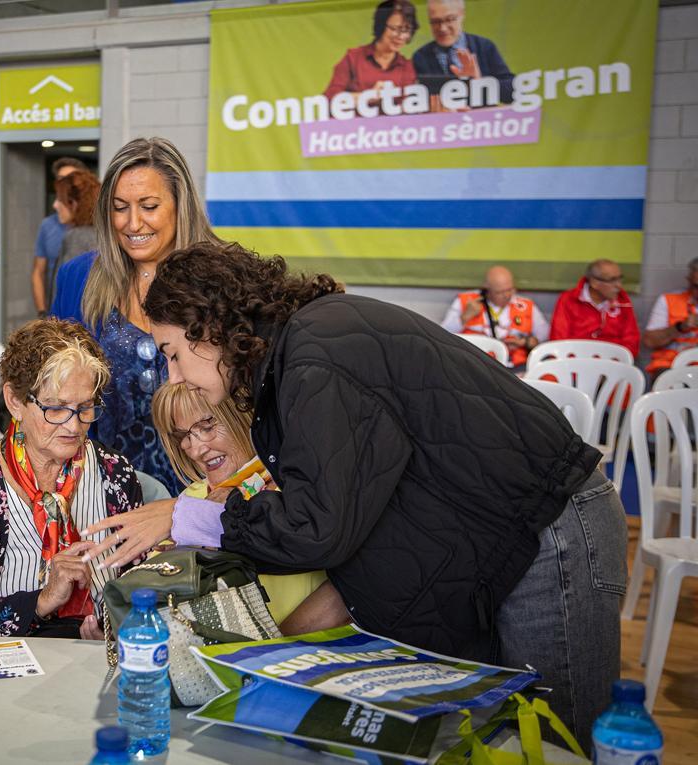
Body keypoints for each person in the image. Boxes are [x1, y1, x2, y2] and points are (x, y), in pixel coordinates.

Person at [87, 241, 627, 750]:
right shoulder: (306, 346)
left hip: (552, 532)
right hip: (511, 531)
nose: (175, 373)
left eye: (173, 352)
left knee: (555, 740)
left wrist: (187, 516)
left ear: (207, 326)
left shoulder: (316, 356)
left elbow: (317, 527)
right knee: (507, 735)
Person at [0, 318, 142, 638]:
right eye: (55, 408)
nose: (73, 426)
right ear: (15, 401)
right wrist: (41, 601)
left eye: (85, 407)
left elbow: (141, 584)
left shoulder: (114, 476)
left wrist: (115, 628)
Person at [50, 137, 222, 496]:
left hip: (207, 486)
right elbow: (53, 386)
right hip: (103, 491)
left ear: (179, 204)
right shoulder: (78, 278)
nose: (132, 223)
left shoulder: (220, 279)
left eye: (148, 206)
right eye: (120, 207)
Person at [152, 383, 344, 635]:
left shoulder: (300, 489)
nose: (196, 449)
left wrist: (274, 647)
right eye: (182, 436)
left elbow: (352, 589)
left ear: (243, 414)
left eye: (208, 425)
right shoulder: (190, 500)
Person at [440, 265, 548, 368]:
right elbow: (443, 333)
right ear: (487, 289)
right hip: (475, 365)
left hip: (516, 367)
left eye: (510, 290)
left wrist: (525, 342)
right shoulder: (466, 301)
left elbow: (545, 336)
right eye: (500, 292)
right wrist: (464, 317)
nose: (506, 295)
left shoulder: (526, 305)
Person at [412, 0, 515, 105]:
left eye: (449, 19)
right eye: (435, 22)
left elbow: (512, 93)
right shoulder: (420, 57)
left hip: (482, 120)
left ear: (462, 14)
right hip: (443, 121)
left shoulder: (484, 46)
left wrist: (480, 83)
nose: (442, 28)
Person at [322, 0, 419, 101]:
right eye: (395, 29)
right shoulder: (353, 58)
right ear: (380, 25)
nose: (401, 36)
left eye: (406, 30)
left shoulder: (408, 67)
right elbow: (329, 98)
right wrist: (368, 96)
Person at [549, 259, 640, 359]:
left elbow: (632, 343)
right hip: (574, 362)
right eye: (612, 280)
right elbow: (558, 341)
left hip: (612, 364)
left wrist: (611, 361)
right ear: (594, 283)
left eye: (620, 279)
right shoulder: (568, 299)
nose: (619, 285)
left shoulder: (623, 301)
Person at [32, 157, 87, 317]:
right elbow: (38, 271)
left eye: (71, 180)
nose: (66, 185)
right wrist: (43, 312)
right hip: (56, 314)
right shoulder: (48, 225)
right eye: (61, 180)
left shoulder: (94, 231)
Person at [45, 170, 101, 310]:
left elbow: (69, 296)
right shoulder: (104, 236)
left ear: (75, 203)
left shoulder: (76, 237)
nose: (55, 205)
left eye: (60, 199)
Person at [642, 256, 698, 379]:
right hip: (671, 366)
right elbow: (649, 341)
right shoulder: (668, 300)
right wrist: (680, 327)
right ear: (689, 281)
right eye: (696, 286)